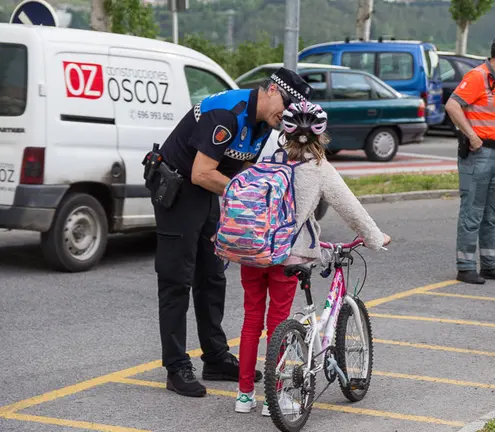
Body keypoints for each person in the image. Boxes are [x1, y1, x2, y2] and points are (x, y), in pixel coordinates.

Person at [145, 67, 313, 398]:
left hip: (208, 193)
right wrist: (252, 195)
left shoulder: (265, 123)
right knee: (177, 281)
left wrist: (260, 188)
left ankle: (216, 358)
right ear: (269, 91)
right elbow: (201, 171)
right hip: (180, 190)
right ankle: (176, 366)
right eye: (287, 104)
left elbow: (241, 169)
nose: (287, 114)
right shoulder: (227, 114)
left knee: (212, 277)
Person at [233, 100, 392, 414]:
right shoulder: (319, 169)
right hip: (287, 256)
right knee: (279, 323)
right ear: (321, 135)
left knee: (251, 321)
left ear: (286, 131)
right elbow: (352, 210)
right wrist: (376, 238)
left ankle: (244, 395)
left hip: (252, 250)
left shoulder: (268, 157)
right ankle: (273, 398)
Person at [444, 33, 495, 285]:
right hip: (479, 154)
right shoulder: (478, 76)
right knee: (473, 211)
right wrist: (472, 136)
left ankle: (490, 264)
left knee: (493, 212)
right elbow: (452, 105)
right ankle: (466, 266)